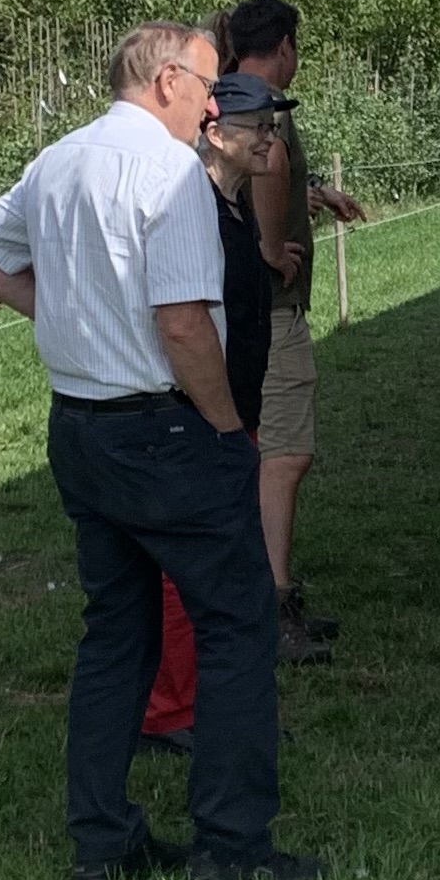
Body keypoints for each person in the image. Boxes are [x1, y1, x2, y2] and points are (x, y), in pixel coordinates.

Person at [0, 22, 321, 880]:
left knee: (115, 632)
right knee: (239, 621)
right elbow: (184, 322)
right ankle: (232, 846)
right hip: (165, 430)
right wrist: (230, 429)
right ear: (165, 81)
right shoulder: (169, 173)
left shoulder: (57, 159)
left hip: (80, 425)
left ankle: (103, 840)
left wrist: (63, 322)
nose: (210, 103)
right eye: (203, 85)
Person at [140, 70, 289, 756]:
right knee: (186, 573)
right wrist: (221, 421)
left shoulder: (230, 204)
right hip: (201, 417)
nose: (271, 135)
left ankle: (199, 696)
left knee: (220, 565)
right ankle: (169, 711)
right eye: (258, 123)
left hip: (233, 412)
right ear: (215, 129)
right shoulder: (189, 205)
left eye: (272, 122)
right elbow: (181, 321)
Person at [217, 0, 363, 665]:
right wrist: (274, 248)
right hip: (271, 312)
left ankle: (268, 592)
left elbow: (258, 176)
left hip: (247, 311)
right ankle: (273, 602)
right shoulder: (268, 104)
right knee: (284, 452)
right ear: (281, 45)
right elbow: (269, 168)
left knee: (272, 449)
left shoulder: (228, 100)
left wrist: (316, 194)